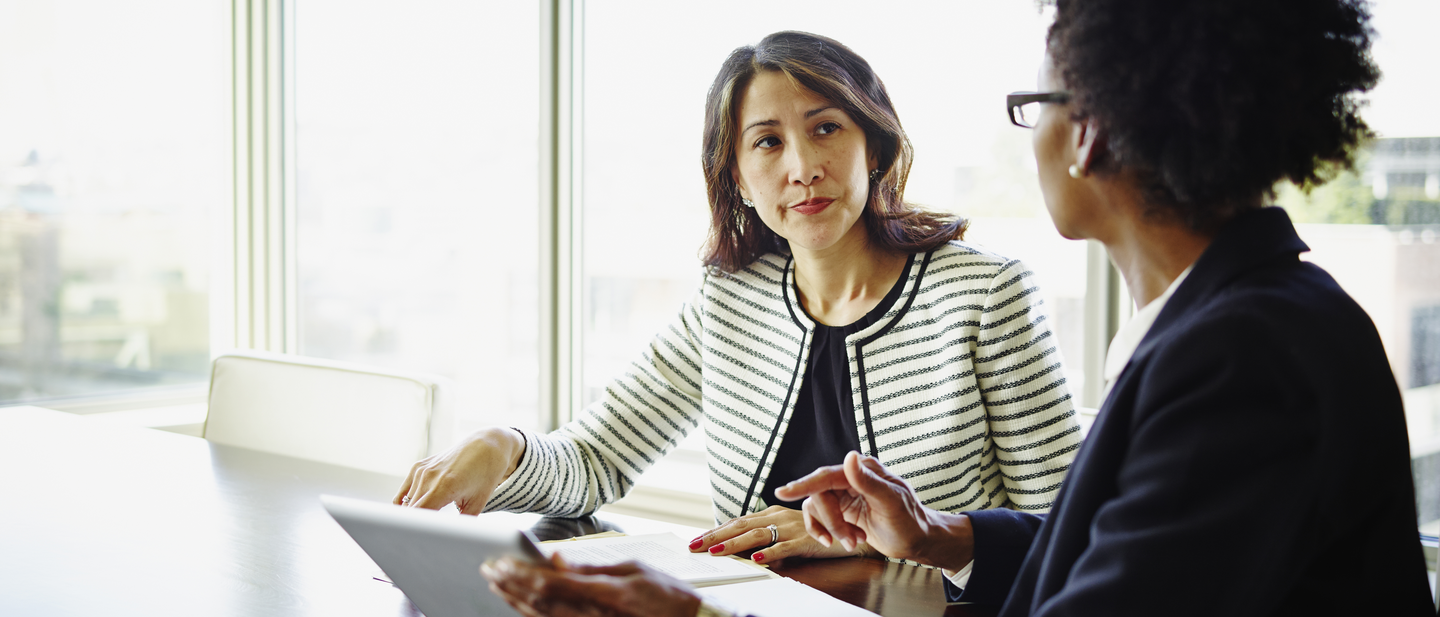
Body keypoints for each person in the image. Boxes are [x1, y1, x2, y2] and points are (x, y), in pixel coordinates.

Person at [775, 0, 1436, 615]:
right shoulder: (1249, 320)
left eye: (1036, 105)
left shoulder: (1240, 358)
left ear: (1088, 130)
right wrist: (935, 534)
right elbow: (1136, 550)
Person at [399, 28, 1080, 573]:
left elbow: (1069, 531)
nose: (801, 167)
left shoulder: (985, 295)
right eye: (767, 142)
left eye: (826, 128)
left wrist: (870, 538)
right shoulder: (731, 300)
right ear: (737, 176)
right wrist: (501, 448)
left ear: (873, 144)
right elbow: (595, 460)